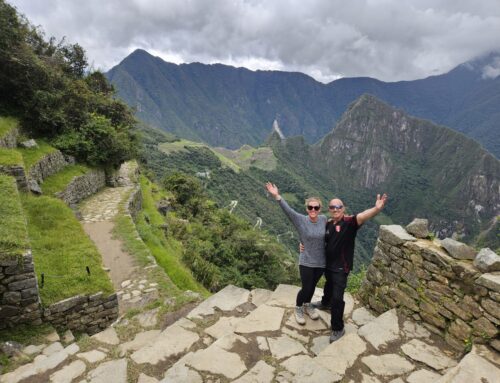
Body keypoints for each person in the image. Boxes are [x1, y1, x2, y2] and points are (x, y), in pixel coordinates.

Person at [308, 194, 388, 342]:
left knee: (338, 298)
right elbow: (317, 238)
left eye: (338, 206)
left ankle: (338, 328)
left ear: (343, 208)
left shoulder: (350, 222)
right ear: (329, 209)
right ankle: (325, 302)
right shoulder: (328, 224)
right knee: (328, 285)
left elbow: (363, 216)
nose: (335, 209)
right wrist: (304, 245)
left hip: (341, 267)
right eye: (332, 207)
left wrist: (376, 209)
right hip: (328, 265)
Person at [265, 182, 327, 325]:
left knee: (312, 287)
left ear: (320, 209)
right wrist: (277, 196)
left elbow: (330, 235)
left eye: (316, 207)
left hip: (321, 262)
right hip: (306, 261)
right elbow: (288, 211)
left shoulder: (324, 220)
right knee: (306, 287)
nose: (313, 209)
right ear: (306, 208)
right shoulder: (301, 220)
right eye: (310, 207)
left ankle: (307, 305)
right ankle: (298, 307)